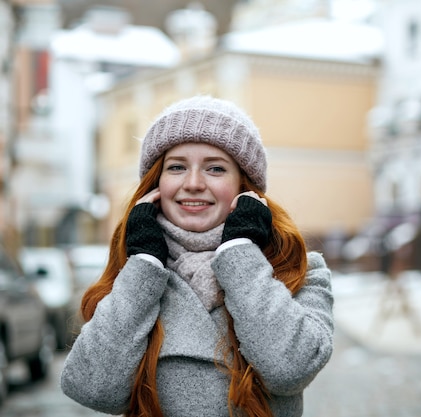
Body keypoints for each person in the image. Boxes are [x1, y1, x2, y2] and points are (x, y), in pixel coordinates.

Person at [60, 95, 334, 417]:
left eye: (215, 168)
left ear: (243, 185)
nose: (192, 184)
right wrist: (145, 265)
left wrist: (240, 253)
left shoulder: (297, 270)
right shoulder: (133, 271)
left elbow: (290, 370)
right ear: (155, 183)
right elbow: (92, 389)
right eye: (177, 167)